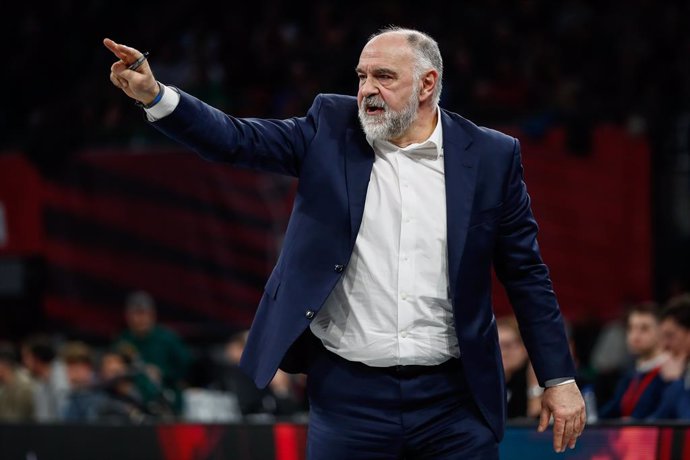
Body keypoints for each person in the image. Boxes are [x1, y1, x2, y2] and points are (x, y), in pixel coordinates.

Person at [104, 26, 585, 457]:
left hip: (454, 401)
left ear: (428, 84)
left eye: (384, 77)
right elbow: (235, 139)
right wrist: (156, 96)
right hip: (350, 398)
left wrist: (558, 378)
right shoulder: (329, 128)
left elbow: (526, 273)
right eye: (361, 76)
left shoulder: (491, 156)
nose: (366, 90)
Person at [113, 290, 192, 414]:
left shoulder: (167, 338)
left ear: (152, 315)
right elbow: (111, 368)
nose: (140, 319)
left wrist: (162, 373)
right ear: (128, 316)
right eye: (136, 314)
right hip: (132, 400)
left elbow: (187, 367)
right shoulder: (123, 340)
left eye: (144, 313)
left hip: (167, 397)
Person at [599, 302, 668, 419]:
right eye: (631, 328)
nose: (635, 336)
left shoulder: (668, 376)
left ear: (661, 332)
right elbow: (609, 412)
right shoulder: (631, 374)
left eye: (644, 329)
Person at [650, 294, 690, 420]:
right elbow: (657, 420)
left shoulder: (676, 380)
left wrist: (675, 382)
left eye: (670, 336)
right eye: (663, 337)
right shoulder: (676, 370)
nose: (664, 345)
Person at [497, 316, 542, 419]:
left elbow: (538, 425)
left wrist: (534, 387)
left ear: (524, 348)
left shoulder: (541, 378)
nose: (501, 353)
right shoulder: (485, 380)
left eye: (507, 346)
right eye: (496, 346)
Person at [20, 335, 70, 422]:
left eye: (27, 357)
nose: (24, 362)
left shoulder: (62, 379)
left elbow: (65, 421)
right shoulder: (40, 382)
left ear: (37, 359)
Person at [0, 342, 35, 422]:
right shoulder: (4, 385)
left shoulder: (24, 385)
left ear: (3, 364)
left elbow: (18, 418)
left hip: (24, 431)